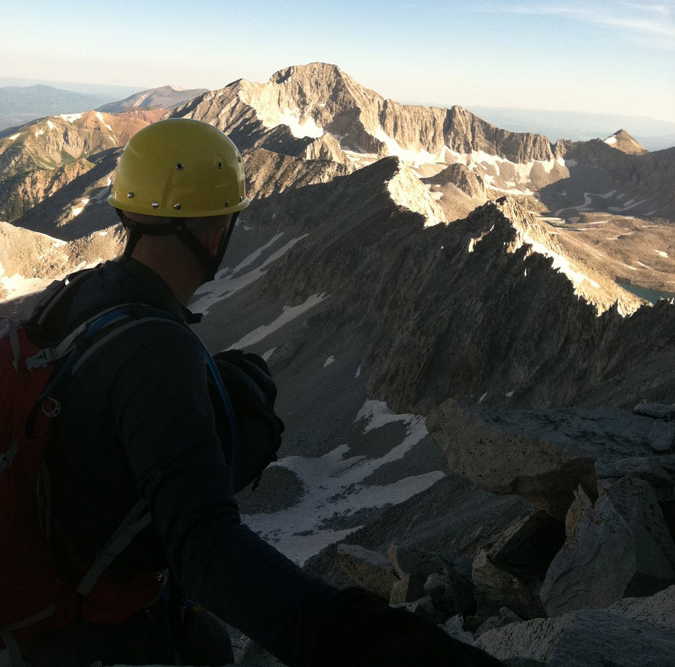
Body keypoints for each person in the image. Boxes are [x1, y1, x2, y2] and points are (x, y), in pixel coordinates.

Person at [25, 118, 502, 666]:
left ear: (127, 211)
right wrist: (381, 644)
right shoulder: (156, 352)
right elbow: (207, 550)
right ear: (212, 234)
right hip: (90, 637)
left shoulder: (76, 299)